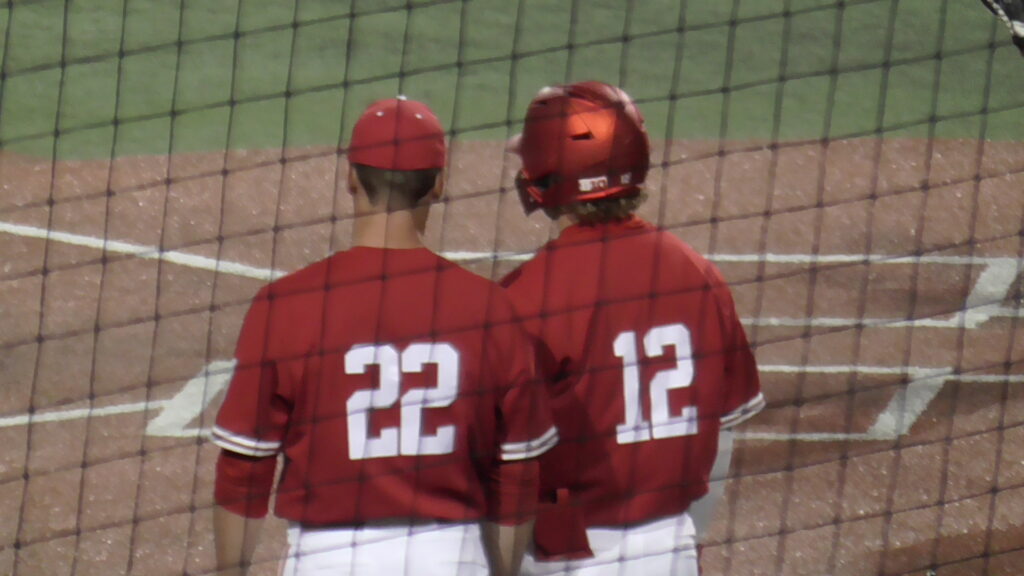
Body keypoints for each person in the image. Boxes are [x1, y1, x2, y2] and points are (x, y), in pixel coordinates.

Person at [210, 96, 557, 576]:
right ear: (438, 185)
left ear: (351, 177)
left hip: (330, 560)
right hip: (450, 557)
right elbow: (517, 475)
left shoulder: (285, 304)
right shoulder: (491, 308)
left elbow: (243, 468)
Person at [501, 82, 765, 576]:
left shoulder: (525, 297)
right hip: (672, 549)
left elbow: (503, 463)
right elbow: (726, 428)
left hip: (566, 556)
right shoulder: (699, 273)